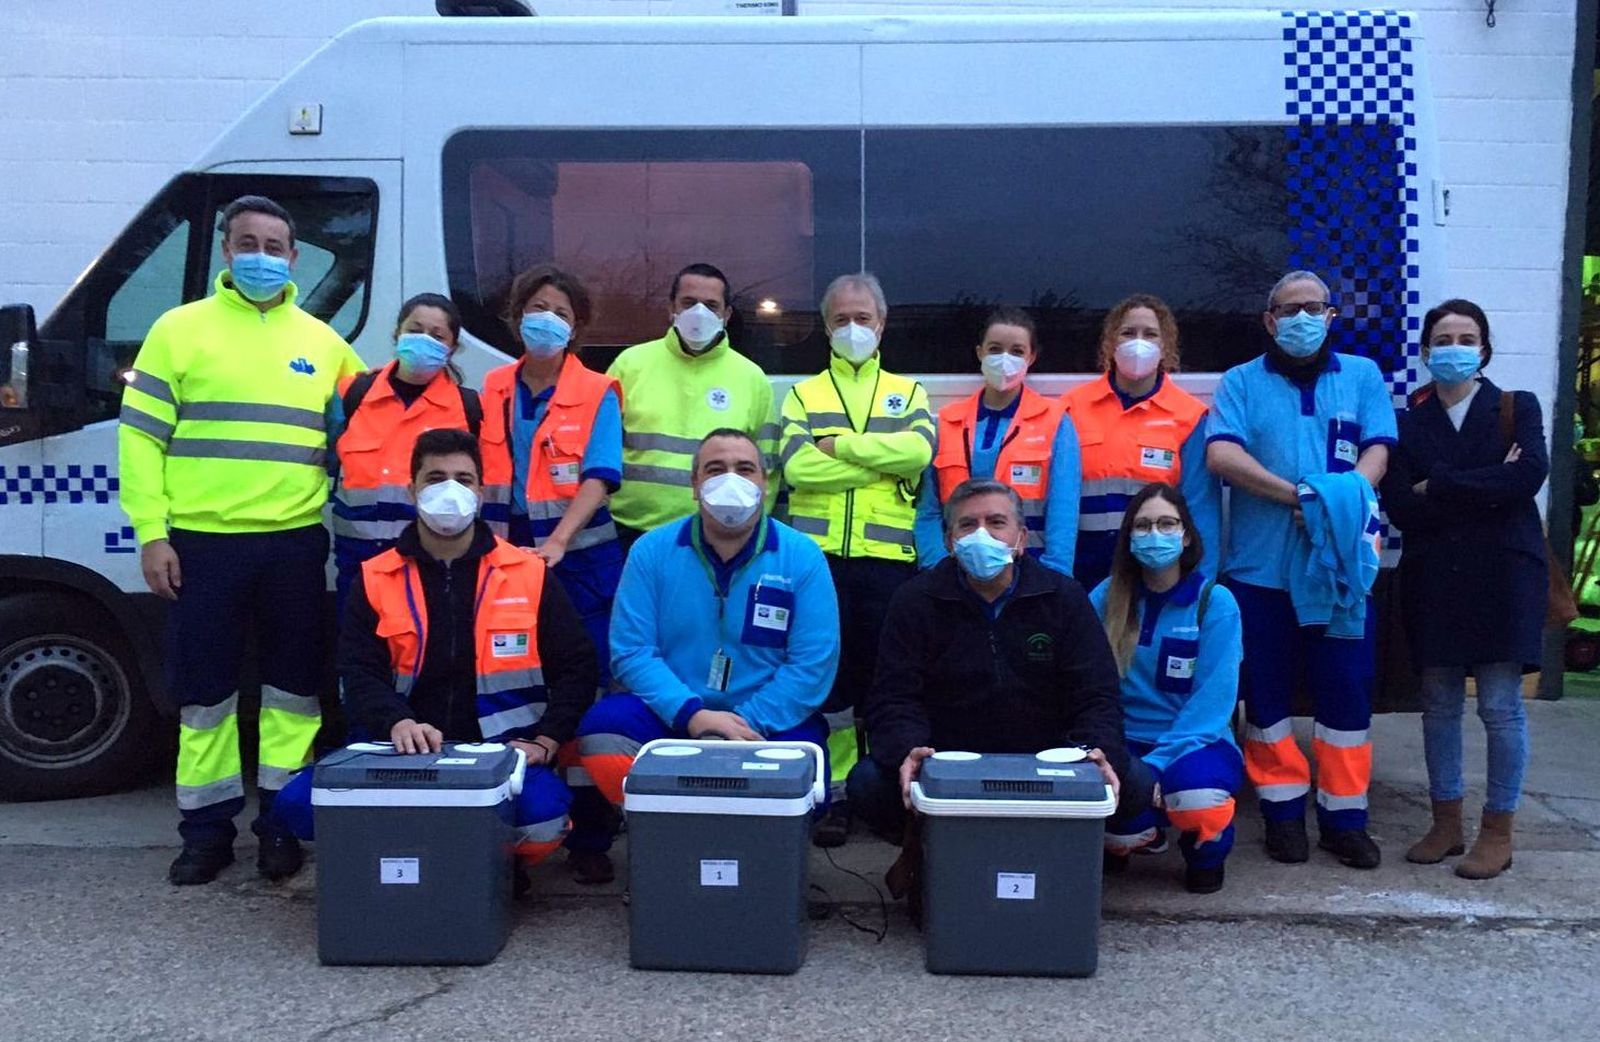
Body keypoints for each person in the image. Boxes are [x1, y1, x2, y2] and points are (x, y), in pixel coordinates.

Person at [117, 195, 364, 885]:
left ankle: (281, 827)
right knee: (204, 698)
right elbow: (140, 442)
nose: (260, 255)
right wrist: (151, 534)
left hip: (292, 545)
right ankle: (206, 833)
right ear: (227, 251)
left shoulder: (322, 342)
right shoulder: (177, 330)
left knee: (293, 695)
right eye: (247, 242)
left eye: (274, 245)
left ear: (294, 257)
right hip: (200, 545)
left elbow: (374, 423)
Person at [271, 429, 605, 880]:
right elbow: (358, 672)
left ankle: (466, 865)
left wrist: (545, 739)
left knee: (544, 819)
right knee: (295, 807)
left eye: (463, 479)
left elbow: (578, 667)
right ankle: (441, 859)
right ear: (412, 490)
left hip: (499, 754)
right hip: (402, 751)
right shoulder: (375, 577)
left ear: (481, 492)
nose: (451, 490)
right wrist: (398, 723)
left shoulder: (528, 574)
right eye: (435, 478)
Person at [850, 479, 1153, 913]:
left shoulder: (1063, 598)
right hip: (949, 767)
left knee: (1135, 782)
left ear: (1021, 538)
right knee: (868, 784)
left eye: (996, 522)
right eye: (967, 525)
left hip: (1045, 764)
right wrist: (908, 752)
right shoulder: (914, 601)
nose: (982, 535)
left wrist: (1096, 750)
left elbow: (1097, 695)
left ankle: (1055, 853)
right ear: (950, 541)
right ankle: (942, 850)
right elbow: (893, 698)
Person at [1206, 269, 1396, 870]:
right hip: (1259, 573)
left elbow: (1380, 451)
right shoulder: (1240, 382)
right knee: (1266, 698)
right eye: (1289, 309)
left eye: (1314, 307)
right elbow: (1221, 454)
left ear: (1332, 315)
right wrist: (1298, 496)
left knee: (1346, 692)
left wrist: (1336, 503)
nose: (1302, 318)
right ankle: (1283, 814)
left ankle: (1345, 818)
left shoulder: (1362, 376)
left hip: (1341, 573)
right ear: (1269, 320)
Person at [575, 429, 840, 825]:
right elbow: (632, 651)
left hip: (763, 722)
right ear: (695, 485)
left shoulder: (802, 556)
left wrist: (741, 726)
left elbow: (812, 664)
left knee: (808, 778)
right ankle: (667, 832)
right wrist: (692, 715)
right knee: (603, 734)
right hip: (672, 713)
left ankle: (747, 848)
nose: (731, 479)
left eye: (745, 469)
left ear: (764, 484)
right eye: (715, 469)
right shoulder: (651, 551)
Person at [1380, 299, 1546, 880]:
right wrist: (1486, 486)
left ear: (1484, 348)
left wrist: (1440, 485)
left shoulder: (1514, 407)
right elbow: (1400, 504)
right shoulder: (1406, 423)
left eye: (1466, 336)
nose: (1454, 346)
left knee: (1501, 708)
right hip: (1435, 579)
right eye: (1443, 337)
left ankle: (1498, 830)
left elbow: (1528, 476)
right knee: (1439, 705)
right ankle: (1445, 822)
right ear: (1425, 351)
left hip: (1504, 577)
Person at [779, 273, 936, 846]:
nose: (853, 329)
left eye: (862, 318)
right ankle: (841, 790)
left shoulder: (908, 392)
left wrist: (839, 446)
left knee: (886, 680)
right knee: (832, 681)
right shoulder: (803, 394)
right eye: (841, 319)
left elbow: (918, 452)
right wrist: (880, 461)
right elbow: (797, 468)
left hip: (889, 561)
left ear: (882, 323)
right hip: (818, 562)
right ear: (825, 325)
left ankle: (886, 784)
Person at [1088, 483, 1244, 894]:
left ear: (1186, 534)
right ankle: (1139, 836)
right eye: (1142, 526)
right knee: (1111, 823)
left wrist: (1154, 768)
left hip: (1197, 742)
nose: (1154, 534)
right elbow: (1085, 683)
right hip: (1122, 741)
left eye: (1166, 523)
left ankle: (1206, 855)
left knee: (1198, 800)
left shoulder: (1215, 602)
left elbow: (1212, 704)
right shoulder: (1105, 597)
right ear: (1129, 537)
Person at [479, 265, 623, 685]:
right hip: (506, 545)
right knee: (516, 658)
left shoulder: (598, 390)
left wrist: (559, 540)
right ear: (517, 316)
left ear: (575, 327)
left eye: (561, 313)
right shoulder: (494, 386)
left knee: (585, 661)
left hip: (580, 552)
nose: (548, 319)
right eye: (538, 308)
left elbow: (599, 476)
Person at [605, 263, 778, 546]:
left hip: (717, 535)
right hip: (628, 531)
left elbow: (767, 465)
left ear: (726, 314)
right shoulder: (629, 365)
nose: (700, 313)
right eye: (689, 303)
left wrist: (751, 526)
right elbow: (600, 451)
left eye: (711, 305)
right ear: (671, 308)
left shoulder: (752, 378)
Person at [329, 293, 481, 614]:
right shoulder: (353, 393)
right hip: (357, 561)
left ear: (451, 348)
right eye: (415, 329)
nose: (424, 340)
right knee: (358, 654)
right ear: (397, 334)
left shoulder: (469, 409)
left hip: (429, 561)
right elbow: (327, 463)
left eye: (437, 335)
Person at [1063, 294, 1219, 591]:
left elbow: (1202, 511)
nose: (1138, 342)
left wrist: (1200, 587)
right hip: (1083, 568)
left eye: (1150, 334)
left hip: (1155, 569)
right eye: (1128, 333)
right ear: (1110, 343)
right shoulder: (1071, 408)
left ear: (1165, 347)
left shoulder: (1189, 416)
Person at [915, 306, 1081, 576]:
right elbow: (928, 511)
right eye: (995, 349)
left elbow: (1063, 513)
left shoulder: (1055, 421)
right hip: (956, 573)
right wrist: (938, 569)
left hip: (1029, 571)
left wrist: (1055, 577)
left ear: (1032, 357)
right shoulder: (947, 422)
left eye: (1017, 351)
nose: (1005, 359)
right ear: (979, 352)